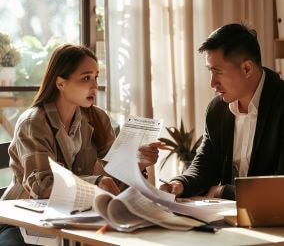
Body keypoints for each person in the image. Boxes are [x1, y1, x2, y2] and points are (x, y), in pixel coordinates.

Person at [0, 43, 161, 245]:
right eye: (86, 78)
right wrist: (96, 182)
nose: (94, 85)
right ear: (60, 83)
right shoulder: (34, 122)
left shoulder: (97, 118)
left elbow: (111, 182)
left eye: (96, 77)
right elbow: (41, 185)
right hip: (24, 222)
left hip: (77, 219)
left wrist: (136, 164)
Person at [160, 23, 284, 200]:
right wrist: (180, 183)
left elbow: (279, 187)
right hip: (228, 219)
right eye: (210, 71)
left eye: (217, 72)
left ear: (247, 68)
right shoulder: (217, 109)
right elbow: (205, 164)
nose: (212, 83)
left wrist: (221, 191)